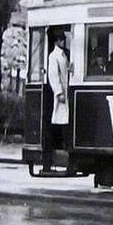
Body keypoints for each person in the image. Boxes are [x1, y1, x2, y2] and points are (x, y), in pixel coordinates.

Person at [43, 29, 70, 172]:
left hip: (64, 93)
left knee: (62, 122)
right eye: (61, 40)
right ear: (57, 41)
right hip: (59, 95)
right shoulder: (54, 56)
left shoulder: (63, 54)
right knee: (59, 124)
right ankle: (49, 160)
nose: (63, 42)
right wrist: (59, 92)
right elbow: (53, 75)